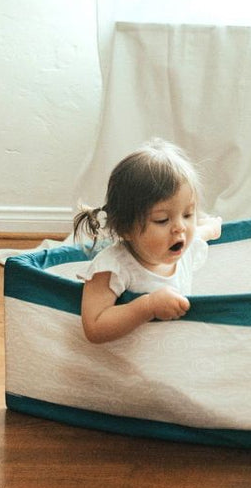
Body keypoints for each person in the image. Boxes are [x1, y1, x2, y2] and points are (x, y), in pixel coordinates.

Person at [73, 138, 222, 343]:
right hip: (126, 360)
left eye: (187, 214)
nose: (180, 227)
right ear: (125, 229)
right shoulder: (113, 267)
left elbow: (199, 233)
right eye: (162, 220)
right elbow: (94, 326)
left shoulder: (184, 246)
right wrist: (148, 306)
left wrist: (213, 228)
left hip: (173, 350)